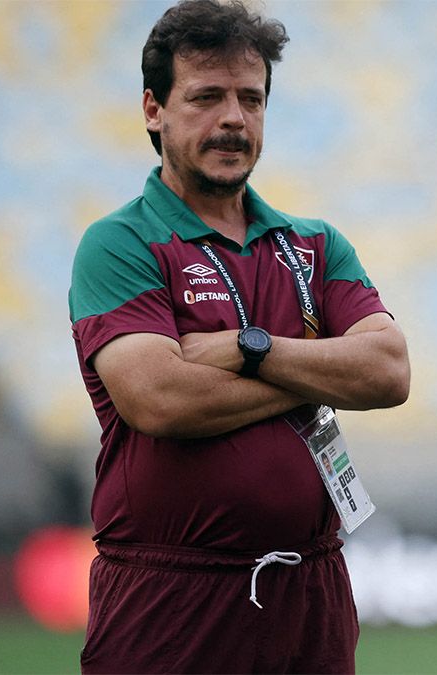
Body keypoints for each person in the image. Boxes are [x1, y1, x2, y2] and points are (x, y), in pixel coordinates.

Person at [67, 1, 410, 672]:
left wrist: (251, 348)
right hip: (171, 598)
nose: (232, 118)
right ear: (152, 109)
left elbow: (389, 371)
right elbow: (161, 399)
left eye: (250, 99)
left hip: (311, 593)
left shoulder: (313, 243)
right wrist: (313, 372)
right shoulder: (120, 242)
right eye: (206, 97)